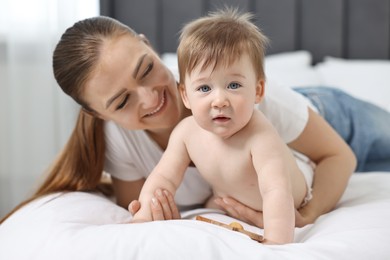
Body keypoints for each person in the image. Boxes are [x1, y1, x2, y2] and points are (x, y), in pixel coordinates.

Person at [2, 9, 390, 227]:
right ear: (97, 114)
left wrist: (307, 213)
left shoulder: (250, 103)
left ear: (148, 44)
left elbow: (338, 157)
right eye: (121, 102)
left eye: (146, 69)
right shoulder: (119, 140)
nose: (152, 98)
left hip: (333, 120)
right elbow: (142, 205)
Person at [132, 9, 316, 245]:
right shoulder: (186, 133)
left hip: (294, 184)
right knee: (214, 202)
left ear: (258, 91)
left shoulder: (260, 135)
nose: (219, 100)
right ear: (185, 96)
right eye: (204, 89)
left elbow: (275, 192)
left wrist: (277, 242)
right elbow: (163, 179)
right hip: (236, 192)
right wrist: (145, 214)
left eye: (233, 85)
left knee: (283, 173)